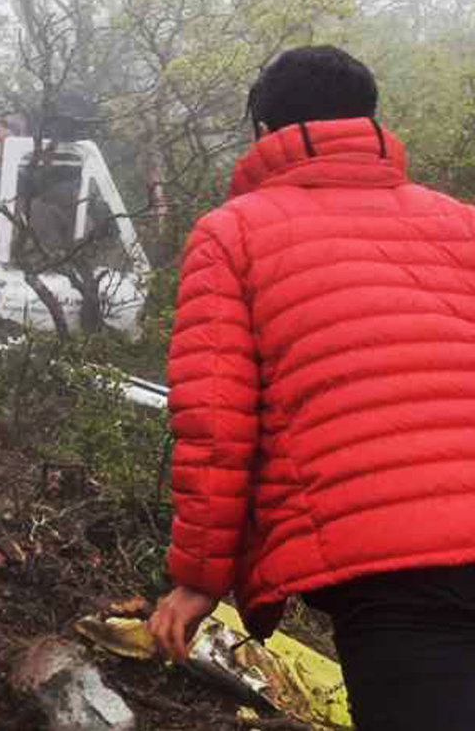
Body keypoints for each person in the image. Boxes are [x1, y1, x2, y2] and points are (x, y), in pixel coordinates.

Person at [148, 45, 475, 730]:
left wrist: (199, 578)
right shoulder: (462, 224)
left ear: (266, 132)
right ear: (368, 118)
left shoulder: (233, 234)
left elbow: (216, 421)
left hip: (390, 564)